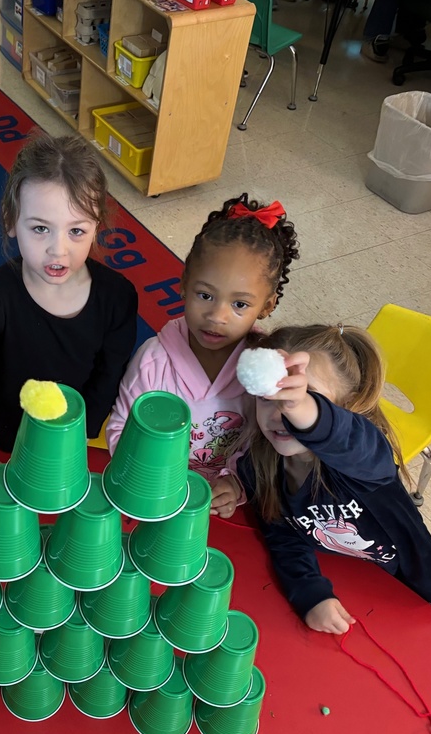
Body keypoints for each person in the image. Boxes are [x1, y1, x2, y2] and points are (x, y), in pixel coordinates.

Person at [0, 134, 138, 481]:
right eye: (41, 228)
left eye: (76, 231)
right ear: (11, 221)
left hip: (72, 430)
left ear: (97, 227)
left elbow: (110, 374)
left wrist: (81, 432)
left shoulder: (117, 297)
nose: (57, 250)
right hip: (1, 424)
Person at [239, 324, 431, 634]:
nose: (280, 412)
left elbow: (347, 438)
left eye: (304, 397)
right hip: (344, 574)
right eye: (267, 396)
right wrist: (310, 594)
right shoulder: (257, 467)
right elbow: (282, 536)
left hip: (406, 576)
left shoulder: (365, 457)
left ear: (349, 406)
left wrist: (305, 410)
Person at [106, 194, 300, 519]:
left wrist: (238, 483)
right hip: (153, 496)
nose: (217, 316)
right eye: (205, 295)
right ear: (183, 284)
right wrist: (150, 479)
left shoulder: (268, 367)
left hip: (223, 507)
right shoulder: (154, 361)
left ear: (267, 306)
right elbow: (121, 429)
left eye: (240, 304)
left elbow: (271, 443)